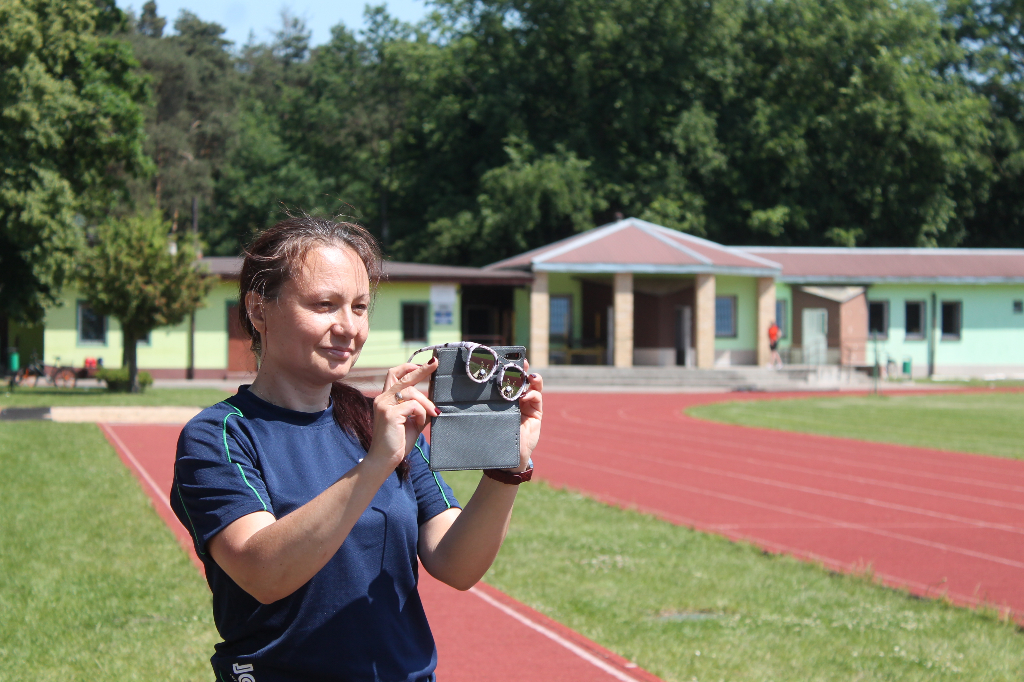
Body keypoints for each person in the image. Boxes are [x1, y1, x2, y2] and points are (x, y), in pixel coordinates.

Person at [170, 215, 543, 681]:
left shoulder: (377, 423)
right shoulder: (221, 434)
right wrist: (378, 464)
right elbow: (264, 574)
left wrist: (508, 466)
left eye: (360, 307)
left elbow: (456, 563)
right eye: (324, 304)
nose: (348, 327)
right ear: (259, 309)